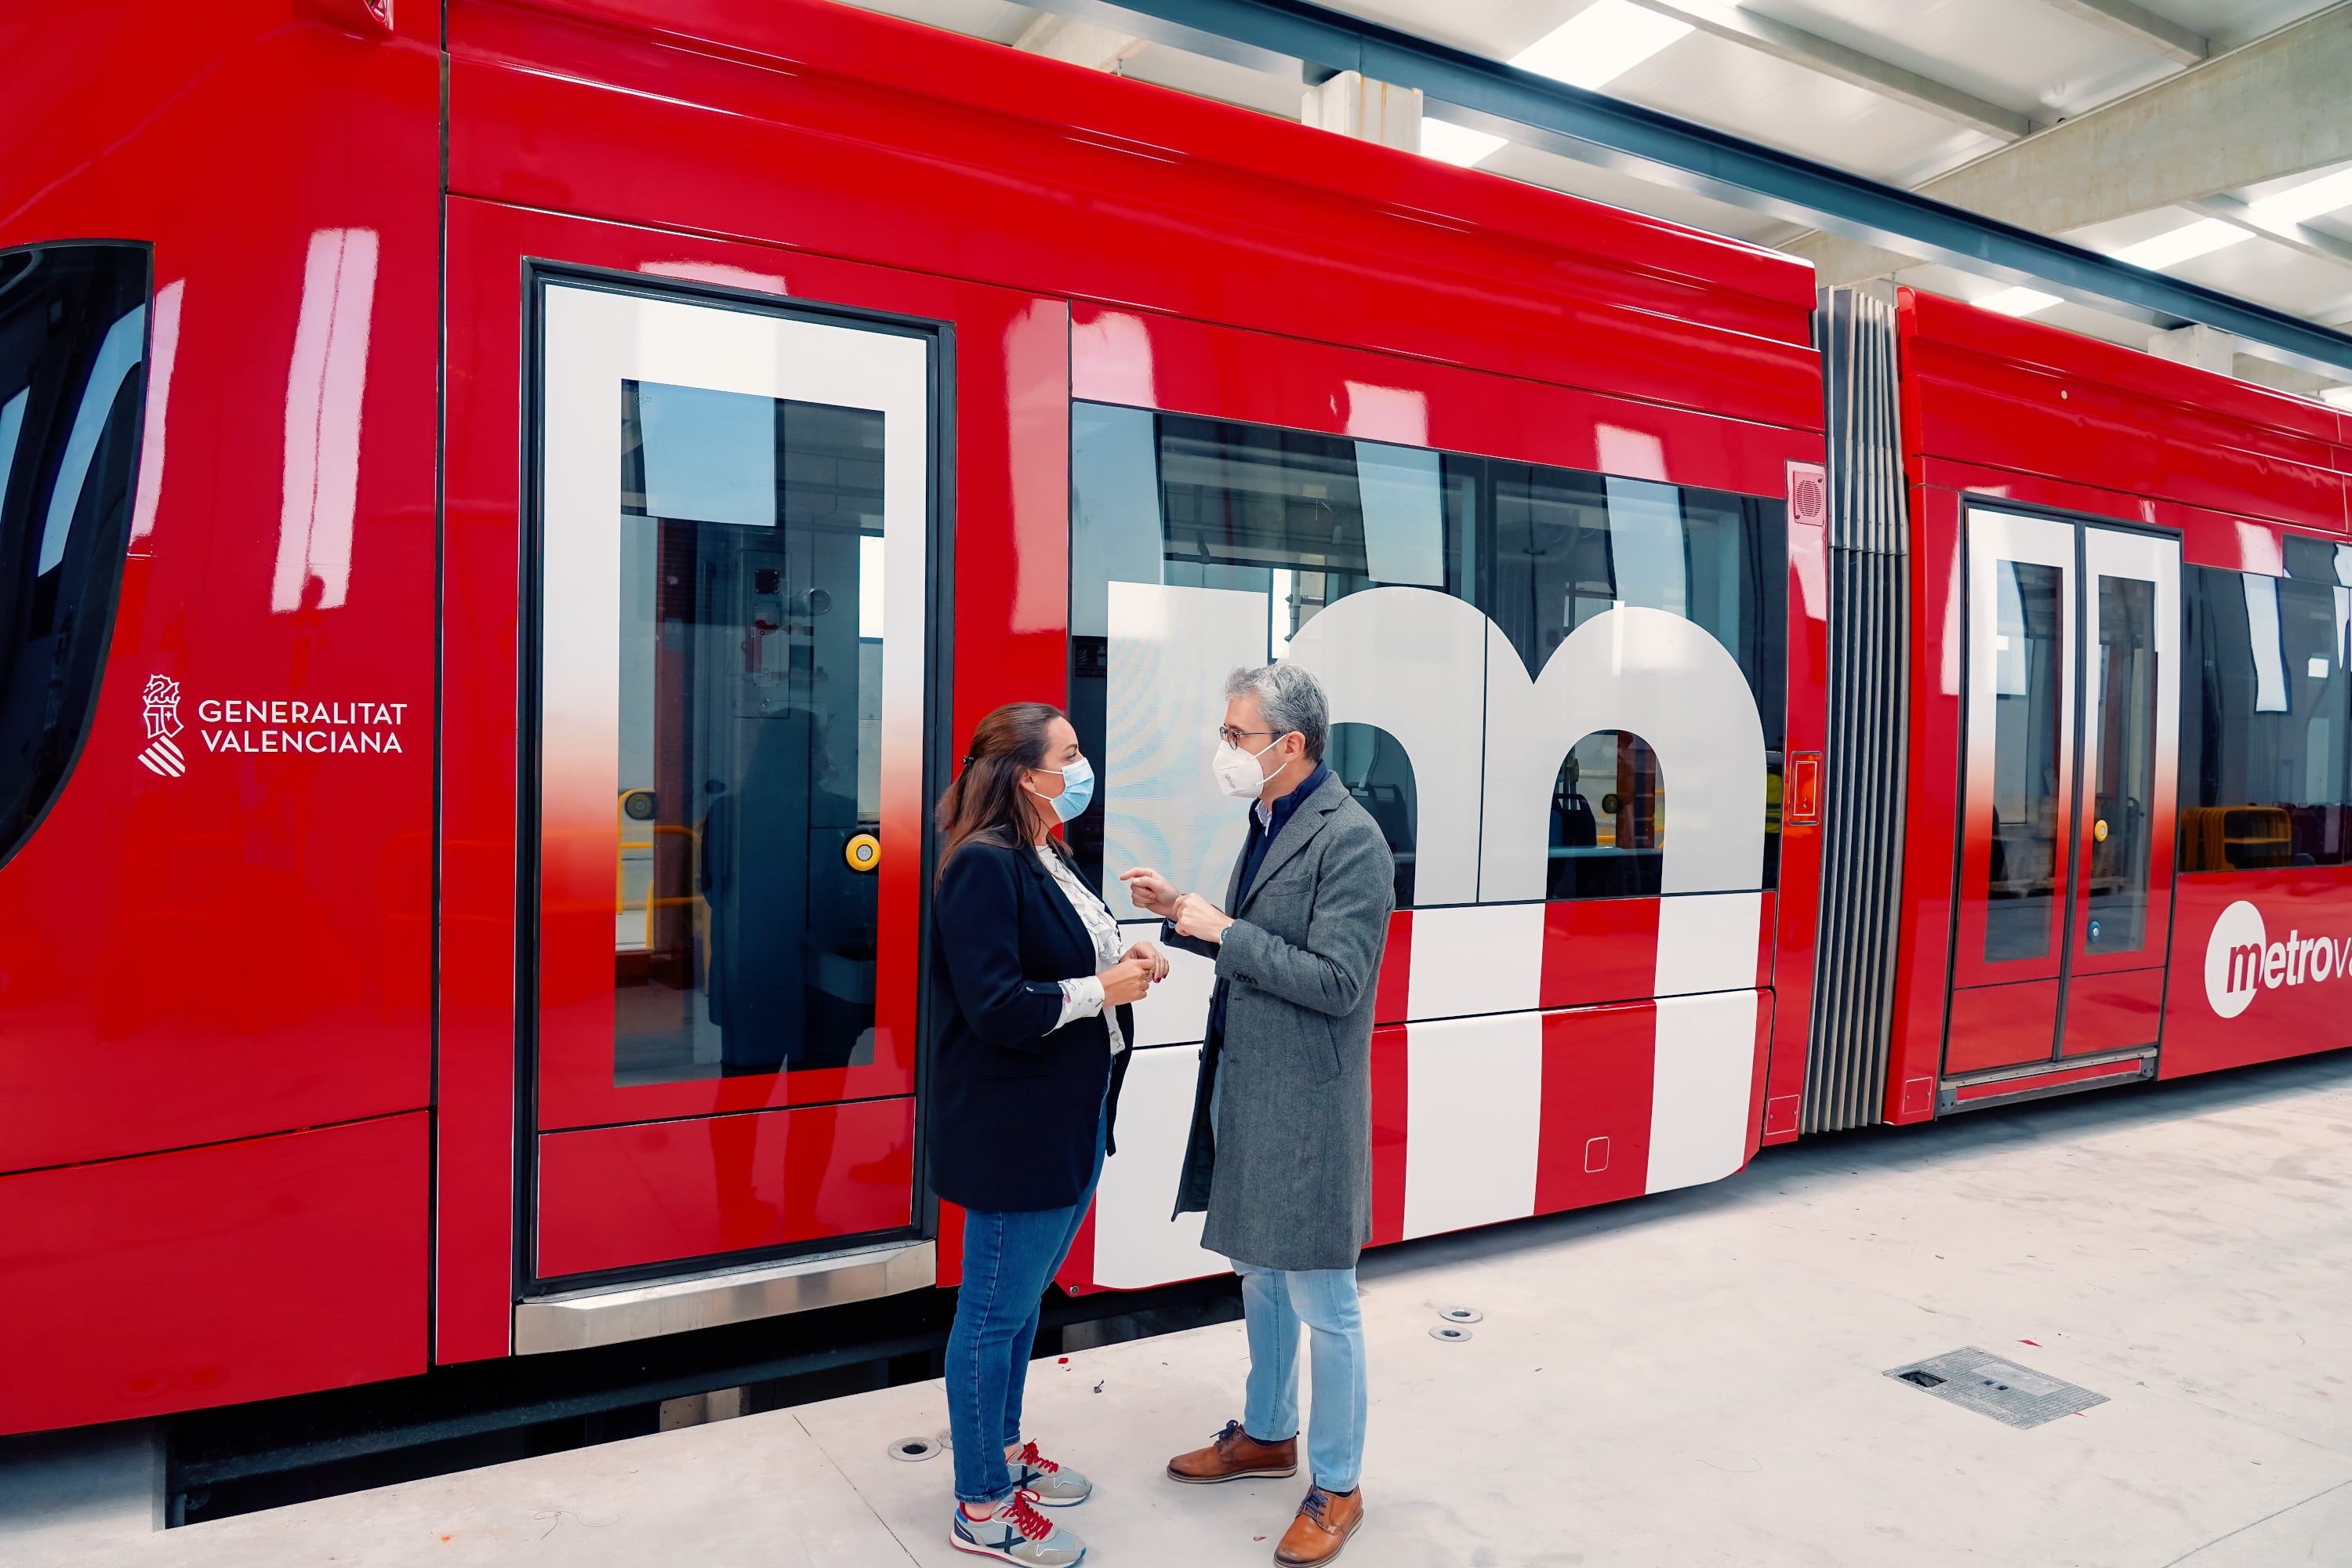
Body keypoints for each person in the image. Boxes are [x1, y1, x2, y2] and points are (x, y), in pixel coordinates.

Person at [1121, 664, 1395, 1567]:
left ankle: (1339, 1483)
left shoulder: (1351, 837)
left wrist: (1223, 930)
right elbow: (1265, 941)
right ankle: (1271, 1432)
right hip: (1250, 1084)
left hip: (1307, 1103)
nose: (1225, 751)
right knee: (1260, 1275)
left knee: (1324, 1297)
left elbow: (1339, 980)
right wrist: (1183, 915)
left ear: (1291, 745)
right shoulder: (1270, 817)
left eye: (1238, 736)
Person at [929, 702, 1168, 1566]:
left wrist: (1133, 961)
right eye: (1068, 753)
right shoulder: (982, 866)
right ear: (1026, 774)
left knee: (1020, 1306)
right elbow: (997, 1007)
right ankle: (980, 1506)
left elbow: (1073, 958)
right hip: (1015, 1127)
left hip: (1070, 1112)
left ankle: (1001, 1451)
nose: (1083, 764)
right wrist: (1107, 988)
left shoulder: (1045, 850)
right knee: (992, 1314)